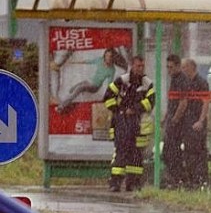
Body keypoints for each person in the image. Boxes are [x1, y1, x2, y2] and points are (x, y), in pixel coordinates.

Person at [103, 55, 155, 192]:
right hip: (122, 123)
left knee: (136, 155)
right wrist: (119, 111)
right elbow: (108, 97)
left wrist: (135, 109)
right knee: (121, 152)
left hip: (138, 124)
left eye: (142, 66)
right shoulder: (122, 81)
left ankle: (133, 183)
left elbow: (151, 102)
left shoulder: (147, 83)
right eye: (138, 66)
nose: (141, 68)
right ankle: (115, 183)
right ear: (132, 65)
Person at [56, 47, 126, 114]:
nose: (108, 58)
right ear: (104, 56)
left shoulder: (111, 70)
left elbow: (109, 84)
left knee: (79, 89)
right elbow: (89, 61)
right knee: (75, 87)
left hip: (94, 87)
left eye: (110, 56)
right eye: (107, 56)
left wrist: (109, 96)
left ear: (112, 58)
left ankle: (61, 106)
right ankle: (69, 99)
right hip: (89, 82)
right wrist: (76, 62)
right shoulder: (100, 60)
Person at [181, 58, 210, 188]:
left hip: (197, 122)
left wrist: (201, 120)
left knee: (199, 151)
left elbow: (205, 102)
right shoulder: (186, 82)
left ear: (192, 67)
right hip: (187, 122)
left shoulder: (201, 83)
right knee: (188, 150)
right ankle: (191, 178)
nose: (183, 70)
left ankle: (200, 178)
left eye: (185, 67)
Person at [162, 54, 189, 187]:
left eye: (171, 67)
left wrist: (174, 119)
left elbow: (183, 102)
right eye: (167, 67)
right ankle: (176, 177)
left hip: (177, 123)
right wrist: (166, 116)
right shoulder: (174, 79)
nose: (169, 70)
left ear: (178, 66)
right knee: (168, 151)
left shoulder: (182, 80)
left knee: (172, 151)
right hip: (171, 119)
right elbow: (172, 101)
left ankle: (177, 178)